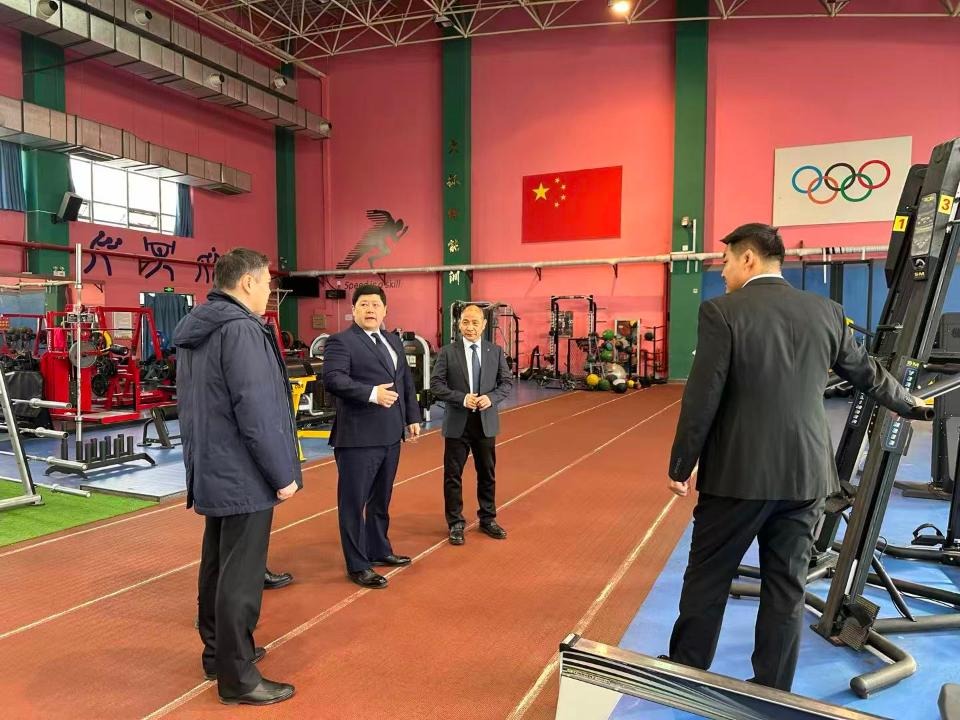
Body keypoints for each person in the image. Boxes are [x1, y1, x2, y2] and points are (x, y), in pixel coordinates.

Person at [663, 223, 929, 692]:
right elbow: (867, 372)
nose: (722, 272)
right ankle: (773, 686)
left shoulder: (721, 312)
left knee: (708, 577)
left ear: (748, 258)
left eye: (725, 261)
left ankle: (687, 671)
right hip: (806, 477)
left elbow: (702, 399)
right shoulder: (826, 311)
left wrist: (681, 466)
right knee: (786, 586)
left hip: (737, 477)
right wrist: (910, 403)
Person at [174, 248, 300, 706]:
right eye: (267, 283)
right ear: (247, 282)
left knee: (216, 567)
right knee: (241, 578)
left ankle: (219, 655)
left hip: (213, 464)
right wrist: (281, 473)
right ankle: (239, 678)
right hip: (244, 471)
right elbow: (257, 410)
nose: (269, 292)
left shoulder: (200, 326)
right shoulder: (242, 330)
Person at [323, 284, 422, 589]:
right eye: (364, 304)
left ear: (385, 310)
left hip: (391, 434)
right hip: (358, 438)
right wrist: (371, 393)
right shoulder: (341, 342)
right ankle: (357, 564)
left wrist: (412, 416)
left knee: (381, 498)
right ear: (353, 310)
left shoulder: (392, 340)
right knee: (353, 504)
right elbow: (333, 379)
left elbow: (404, 381)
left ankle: (379, 549)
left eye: (375, 305)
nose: (370, 310)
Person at [430, 304, 514, 545]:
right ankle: (455, 523)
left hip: (485, 422)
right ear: (459, 324)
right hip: (457, 423)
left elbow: (506, 383)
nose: (470, 327)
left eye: (475, 322)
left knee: (487, 473)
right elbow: (436, 384)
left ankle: (488, 518)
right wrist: (461, 398)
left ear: (484, 325)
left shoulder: (495, 352)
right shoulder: (447, 352)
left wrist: (491, 398)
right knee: (453, 475)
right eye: (465, 322)